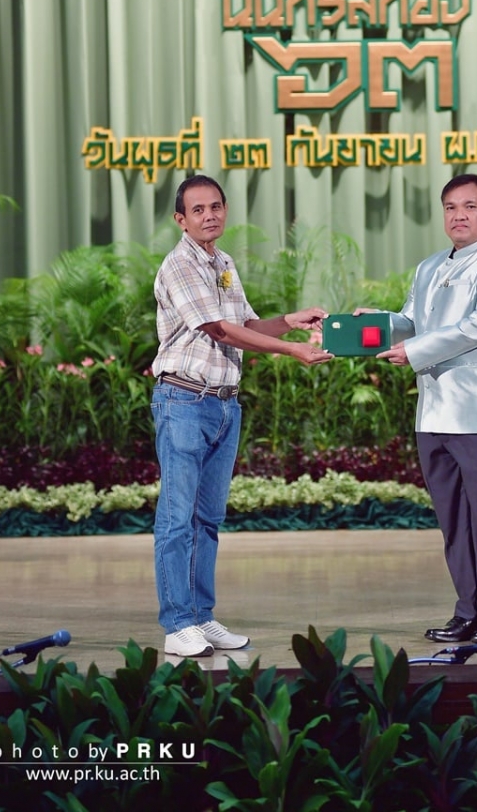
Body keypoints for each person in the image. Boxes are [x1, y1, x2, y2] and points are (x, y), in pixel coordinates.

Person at [152, 174, 331, 658]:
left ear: (225, 210)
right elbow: (219, 330)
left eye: (216, 206)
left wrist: (289, 321)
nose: (209, 215)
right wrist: (293, 351)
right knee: (177, 518)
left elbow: (246, 324)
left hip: (224, 404)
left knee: (207, 519)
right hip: (184, 400)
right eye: (198, 210)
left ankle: (201, 617)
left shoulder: (223, 263)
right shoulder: (179, 265)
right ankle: (176, 624)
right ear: (181, 219)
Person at [364, 173, 477, 645]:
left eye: (470, 207)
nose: (459, 216)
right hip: (436, 413)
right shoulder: (430, 267)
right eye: (451, 207)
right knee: (455, 522)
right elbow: (411, 322)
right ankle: (469, 610)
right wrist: (374, 324)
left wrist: (415, 351)